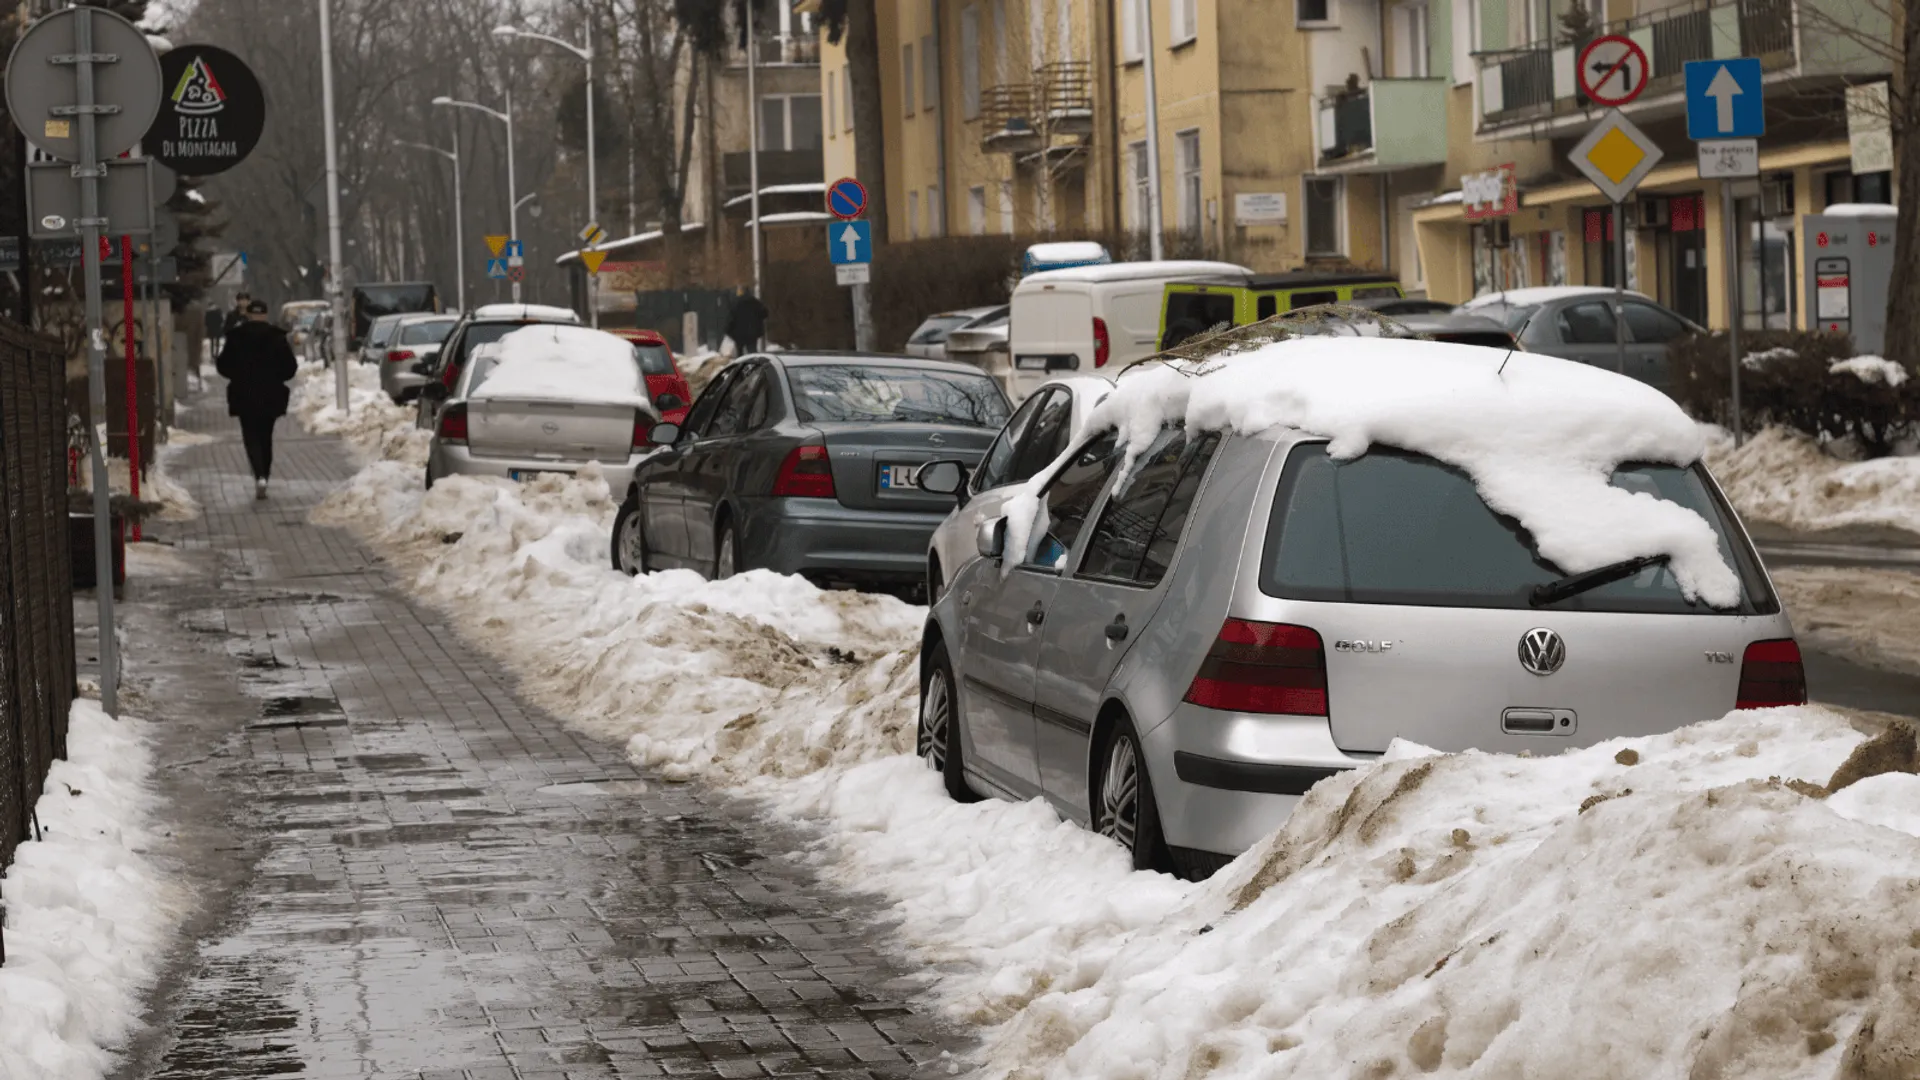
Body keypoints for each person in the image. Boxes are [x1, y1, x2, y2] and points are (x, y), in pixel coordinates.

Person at [216, 299, 298, 500]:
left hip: (244, 393)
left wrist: (238, 375)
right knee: (266, 435)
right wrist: (276, 377)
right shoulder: (277, 337)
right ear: (266, 315)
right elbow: (290, 368)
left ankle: (259, 474)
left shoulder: (236, 337)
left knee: (250, 435)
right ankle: (265, 477)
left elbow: (223, 365)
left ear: (249, 314)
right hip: (270, 394)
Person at [722, 286, 768, 356]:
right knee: (752, 352)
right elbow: (765, 313)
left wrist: (728, 331)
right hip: (752, 333)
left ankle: (741, 365)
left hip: (739, 334)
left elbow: (730, 319)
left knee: (740, 353)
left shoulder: (736, 303)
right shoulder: (755, 302)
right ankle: (754, 365)